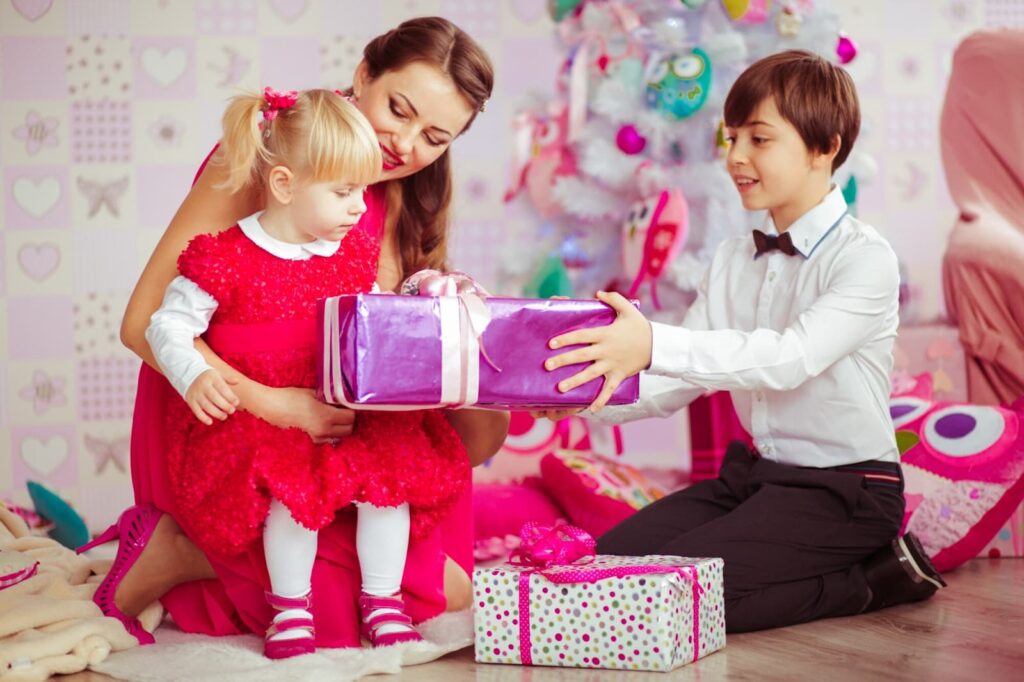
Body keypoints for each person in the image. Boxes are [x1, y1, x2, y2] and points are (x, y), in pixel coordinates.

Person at [91, 17, 508, 649]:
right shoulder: (278, 151)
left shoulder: (399, 196)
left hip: (330, 432)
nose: (405, 142)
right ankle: (181, 548)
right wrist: (274, 404)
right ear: (363, 74)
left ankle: (273, 556)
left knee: (438, 584)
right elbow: (143, 322)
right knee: (416, 591)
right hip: (233, 413)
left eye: (434, 136)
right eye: (398, 109)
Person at [541, 50, 947, 632]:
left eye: (759, 139)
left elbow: (788, 359)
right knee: (600, 573)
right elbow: (680, 378)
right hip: (755, 480)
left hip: (848, 493)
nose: (736, 159)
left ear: (825, 146)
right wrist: (570, 393)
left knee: (663, 600)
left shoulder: (865, 259)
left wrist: (652, 341)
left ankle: (869, 581)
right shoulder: (735, 258)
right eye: (731, 139)